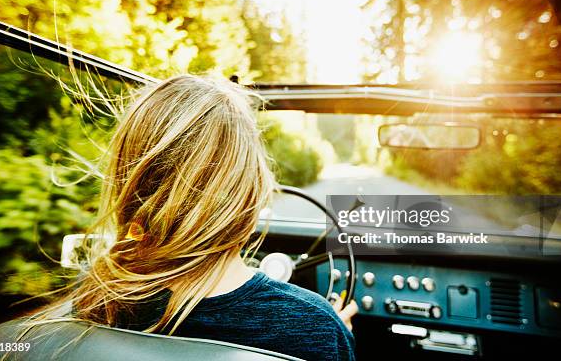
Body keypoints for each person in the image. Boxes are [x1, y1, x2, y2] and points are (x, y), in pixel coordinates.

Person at [26, 75, 358, 361]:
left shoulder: (95, 301)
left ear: (128, 185)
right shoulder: (315, 326)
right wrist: (338, 331)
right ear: (254, 191)